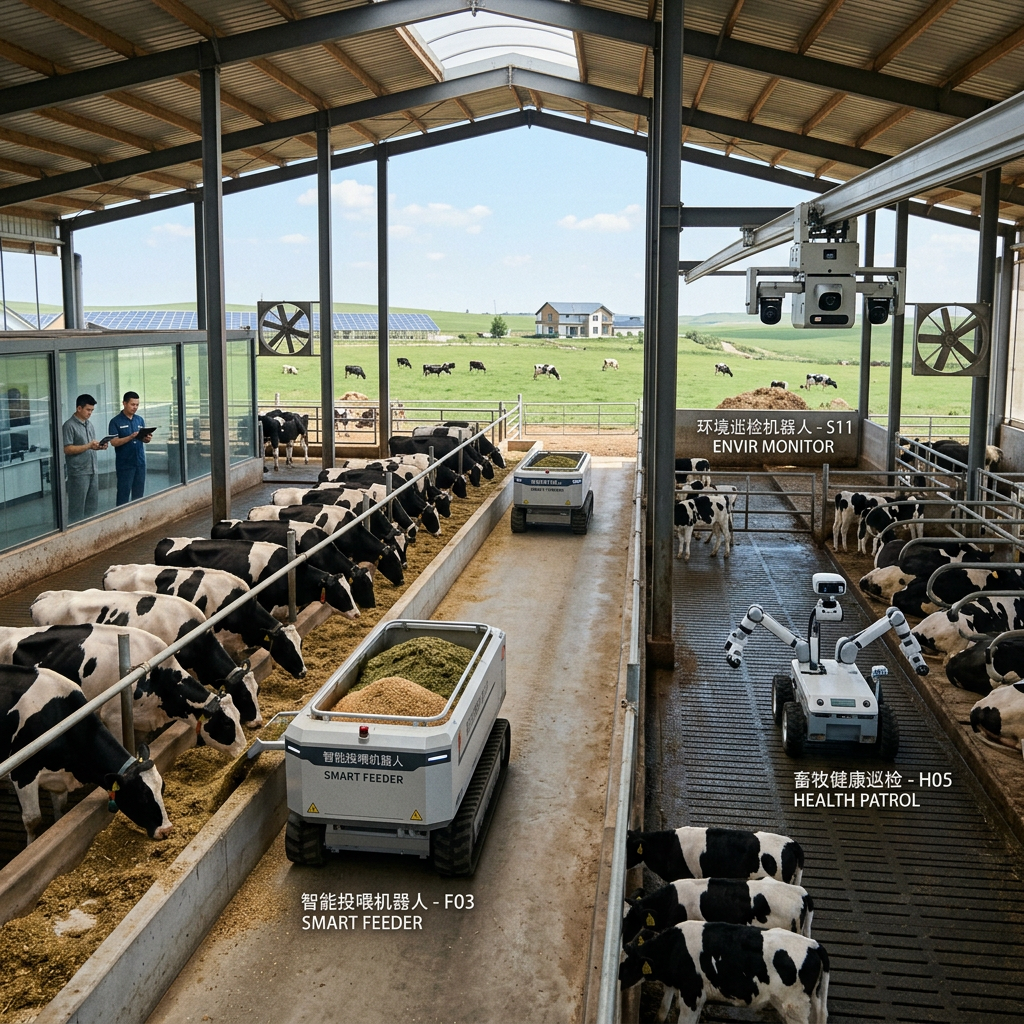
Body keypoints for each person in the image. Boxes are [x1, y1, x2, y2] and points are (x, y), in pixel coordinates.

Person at [62, 393, 108, 522]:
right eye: (88, 410)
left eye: (92, 410)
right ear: (79, 408)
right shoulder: (69, 426)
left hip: (92, 469)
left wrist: (99, 446)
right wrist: (88, 446)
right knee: (77, 508)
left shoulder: (89, 424)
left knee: (92, 507)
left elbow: (89, 446)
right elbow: (67, 449)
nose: (90, 413)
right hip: (78, 473)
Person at [109, 391, 151, 505]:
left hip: (140, 463)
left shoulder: (139, 420)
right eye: (132, 404)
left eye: (137, 405)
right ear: (124, 403)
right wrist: (130, 437)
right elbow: (114, 442)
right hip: (125, 464)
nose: (135, 407)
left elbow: (142, 439)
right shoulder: (115, 421)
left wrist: (146, 439)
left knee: (138, 494)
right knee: (123, 494)